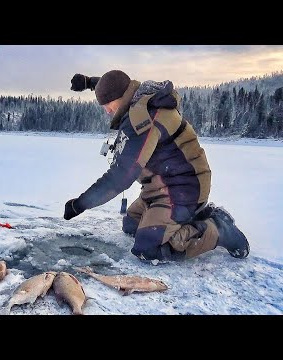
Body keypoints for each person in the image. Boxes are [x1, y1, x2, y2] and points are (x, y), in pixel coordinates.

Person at [63, 70, 250, 262]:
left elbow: (120, 177)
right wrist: (89, 83)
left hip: (184, 188)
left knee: (148, 248)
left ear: (121, 97)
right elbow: (116, 85)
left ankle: (219, 229)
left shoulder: (143, 120)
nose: (107, 111)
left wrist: (79, 204)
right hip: (160, 186)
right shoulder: (137, 97)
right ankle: (193, 216)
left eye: (108, 104)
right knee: (131, 225)